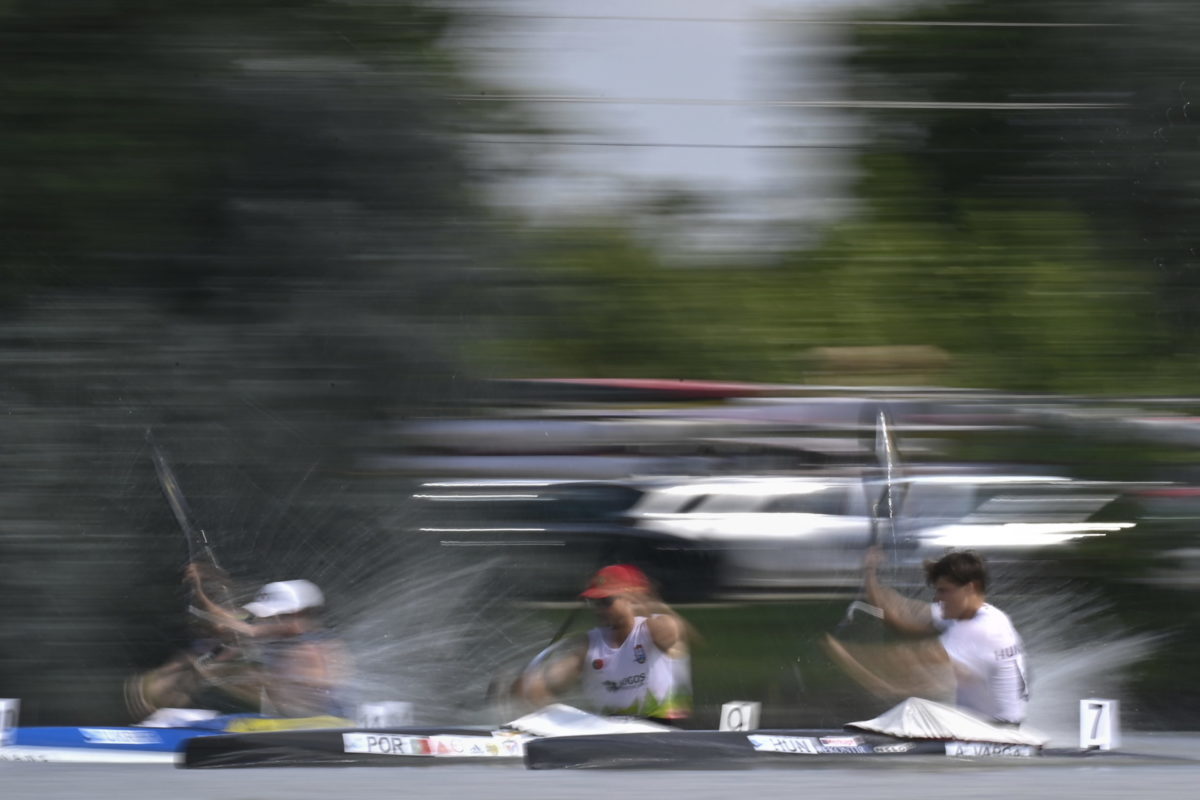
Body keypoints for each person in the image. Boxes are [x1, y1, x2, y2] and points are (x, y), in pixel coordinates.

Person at [126, 563, 350, 720]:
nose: (271, 620)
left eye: (278, 615)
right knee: (207, 659)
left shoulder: (306, 636)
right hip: (287, 719)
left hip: (324, 720)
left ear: (299, 614)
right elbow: (227, 624)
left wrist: (201, 593)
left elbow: (245, 630)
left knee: (241, 669)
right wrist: (202, 587)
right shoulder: (279, 634)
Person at [857, 547, 1029, 725]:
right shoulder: (979, 614)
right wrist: (870, 573)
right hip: (985, 728)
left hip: (997, 734)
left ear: (970, 588)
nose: (936, 598)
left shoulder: (979, 629)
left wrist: (843, 653)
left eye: (944, 591)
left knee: (912, 711)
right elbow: (900, 615)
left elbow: (908, 667)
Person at [515, 564, 693, 724]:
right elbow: (554, 681)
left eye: (606, 602)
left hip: (663, 732)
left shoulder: (656, 627)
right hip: (612, 736)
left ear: (630, 599)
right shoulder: (589, 644)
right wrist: (531, 686)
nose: (599, 609)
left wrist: (646, 601)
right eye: (595, 602)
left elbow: (672, 631)